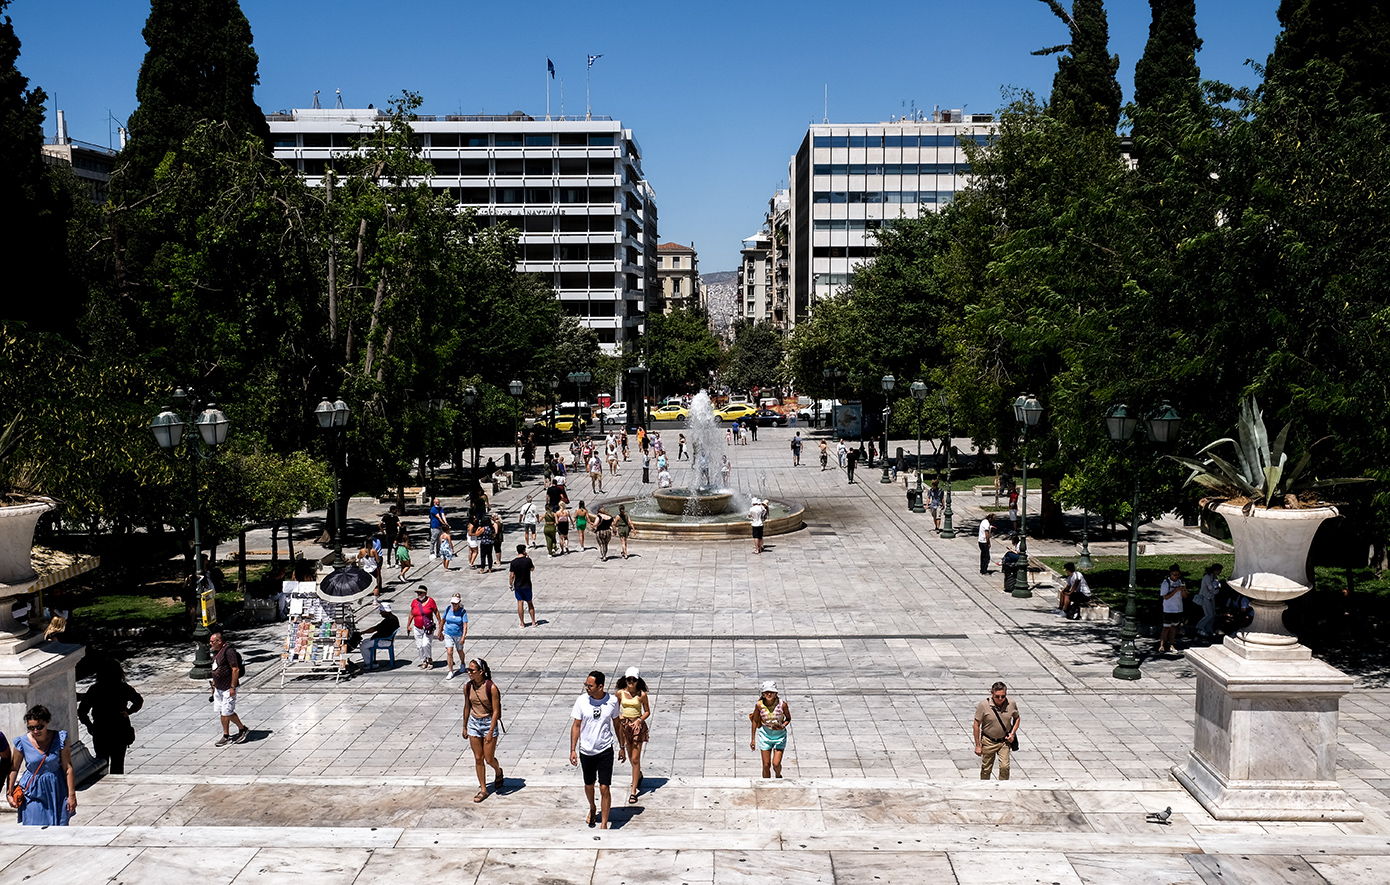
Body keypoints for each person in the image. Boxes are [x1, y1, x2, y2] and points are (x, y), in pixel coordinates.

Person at [6, 705, 75, 825]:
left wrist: (72, 795)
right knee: (33, 826)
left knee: (59, 829)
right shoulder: (22, 743)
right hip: (32, 790)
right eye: (31, 728)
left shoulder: (60, 739)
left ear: (47, 722)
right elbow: (14, 768)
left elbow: (68, 768)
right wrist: (9, 793)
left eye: (39, 727)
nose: (36, 731)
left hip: (56, 788)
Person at [569, 670, 622, 829]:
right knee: (589, 784)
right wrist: (573, 749)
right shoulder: (581, 701)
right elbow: (576, 726)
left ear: (600, 687)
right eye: (586, 685)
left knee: (604, 787)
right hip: (586, 750)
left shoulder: (612, 701)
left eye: (590, 685)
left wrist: (622, 746)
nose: (586, 688)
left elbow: (617, 724)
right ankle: (592, 806)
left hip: (605, 749)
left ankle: (604, 824)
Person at [78, 660, 144, 775]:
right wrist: (129, 711)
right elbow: (138, 700)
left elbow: (82, 711)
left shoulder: (95, 689)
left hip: (101, 730)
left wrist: (90, 725)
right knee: (118, 764)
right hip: (120, 729)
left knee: (101, 762)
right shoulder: (123, 688)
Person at [463, 658, 504, 802]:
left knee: (489, 758)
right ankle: (483, 789)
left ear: (481, 672)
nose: (469, 673)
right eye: (468, 670)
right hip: (474, 723)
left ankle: (498, 771)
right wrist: (464, 726)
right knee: (478, 758)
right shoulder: (468, 687)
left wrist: (490, 731)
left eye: (472, 670)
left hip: (488, 723)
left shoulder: (491, 687)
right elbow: (467, 707)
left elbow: (496, 711)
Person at [616, 667, 651, 804]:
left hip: (637, 726)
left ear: (638, 680)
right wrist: (620, 717)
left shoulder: (641, 695)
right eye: (629, 679)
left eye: (634, 680)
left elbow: (647, 711)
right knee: (630, 756)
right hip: (625, 726)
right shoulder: (620, 693)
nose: (631, 682)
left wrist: (639, 720)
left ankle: (633, 790)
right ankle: (639, 774)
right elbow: (615, 709)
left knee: (635, 758)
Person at [208, 632, 250, 746]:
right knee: (223, 712)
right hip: (218, 687)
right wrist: (213, 685)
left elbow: (235, 669)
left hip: (228, 687)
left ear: (219, 642)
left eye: (212, 642)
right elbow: (216, 669)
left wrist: (233, 686)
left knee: (227, 711)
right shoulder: (216, 653)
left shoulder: (229, 651)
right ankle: (226, 735)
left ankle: (242, 728)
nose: (210, 644)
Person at [973, 681, 1020, 780]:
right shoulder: (984, 705)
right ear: (992, 693)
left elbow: (1017, 718)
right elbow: (976, 725)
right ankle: (985, 787)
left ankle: (1003, 788)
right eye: (997, 696)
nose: (1000, 699)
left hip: (1004, 741)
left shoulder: (1011, 704)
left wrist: (1012, 733)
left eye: (1003, 696)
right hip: (988, 741)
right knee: (986, 768)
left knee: (1005, 767)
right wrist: (978, 745)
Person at [749, 680, 791, 779]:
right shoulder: (759, 705)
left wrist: (783, 726)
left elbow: (788, 718)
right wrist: (753, 739)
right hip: (765, 735)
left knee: (776, 764)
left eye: (771, 692)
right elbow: (755, 721)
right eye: (766, 692)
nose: (769, 694)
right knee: (766, 765)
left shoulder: (782, 704)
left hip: (779, 736)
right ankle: (766, 786)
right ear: (763, 694)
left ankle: (778, 776)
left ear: (776, 693)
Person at [358, 601, 399, 670]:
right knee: (365, 641)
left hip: (384, 641)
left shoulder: (388, 621)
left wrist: (363, 632)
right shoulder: (393, 618)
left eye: (381, 611)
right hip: (385, 639)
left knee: (363, 646)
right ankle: (372, 660)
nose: (380, 613)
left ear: (385, 611)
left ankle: (371, 663)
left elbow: (374, 629)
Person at [410, 585, 443, 670]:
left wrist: (440, 622)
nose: (419, 594)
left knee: (425, 644)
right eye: (418, 593)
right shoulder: (414, 602)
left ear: (425, 593)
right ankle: (424, 660)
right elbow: (411, 614)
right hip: (417, 627)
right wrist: (408, 625)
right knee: (419, 646)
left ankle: (429, 659)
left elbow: (436, 612)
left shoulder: (431, 601)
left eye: (421, 593)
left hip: (427, 628)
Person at [1159, 564, 1188, 653]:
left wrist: (1183, 590)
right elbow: (1165, 597)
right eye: (1175, 575)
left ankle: (1172, 644)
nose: (1176, 577)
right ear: (1170, 574)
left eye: (1178, 575)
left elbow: (1185, 596)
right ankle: (1162, 645)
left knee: (1174, 627)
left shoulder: (1180, 582)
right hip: (1169, 609)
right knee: (1166, 627)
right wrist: (1176, 590)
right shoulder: (1166, 583)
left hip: (1178, 608)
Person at [441, 594, 470, 679]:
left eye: (456, 603)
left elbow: (465, 625)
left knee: (459, 650)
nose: (454, 605)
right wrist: (440, 632)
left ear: (459, 602)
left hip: (458, 634)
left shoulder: (462, 612)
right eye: (453, 603)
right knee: (449, 652)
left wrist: (463, 636)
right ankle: (450, 671)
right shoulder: (448, 609)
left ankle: (463, 663)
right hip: (448, 633)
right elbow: (443, 620)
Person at [510, 544, 536, 627]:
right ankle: (533, 622)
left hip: (518, 585)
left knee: (520, 603)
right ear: (524, 551)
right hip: (527, 584)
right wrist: (528, 557)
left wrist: (511, 584)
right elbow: (532, 569)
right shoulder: (528, 561)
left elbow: (512, 575)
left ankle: (522, 623)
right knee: (530, 603)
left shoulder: (513, 562)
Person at [1196, 563, 1224, 640]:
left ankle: (1209, 629)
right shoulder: (1207, 577)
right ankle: (1200, 627)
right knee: (1209, 615)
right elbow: (1210, 588)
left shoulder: (1214, 577)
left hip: (1211, 597)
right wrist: (1217, 588)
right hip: (1205, 598)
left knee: (1213, 615)